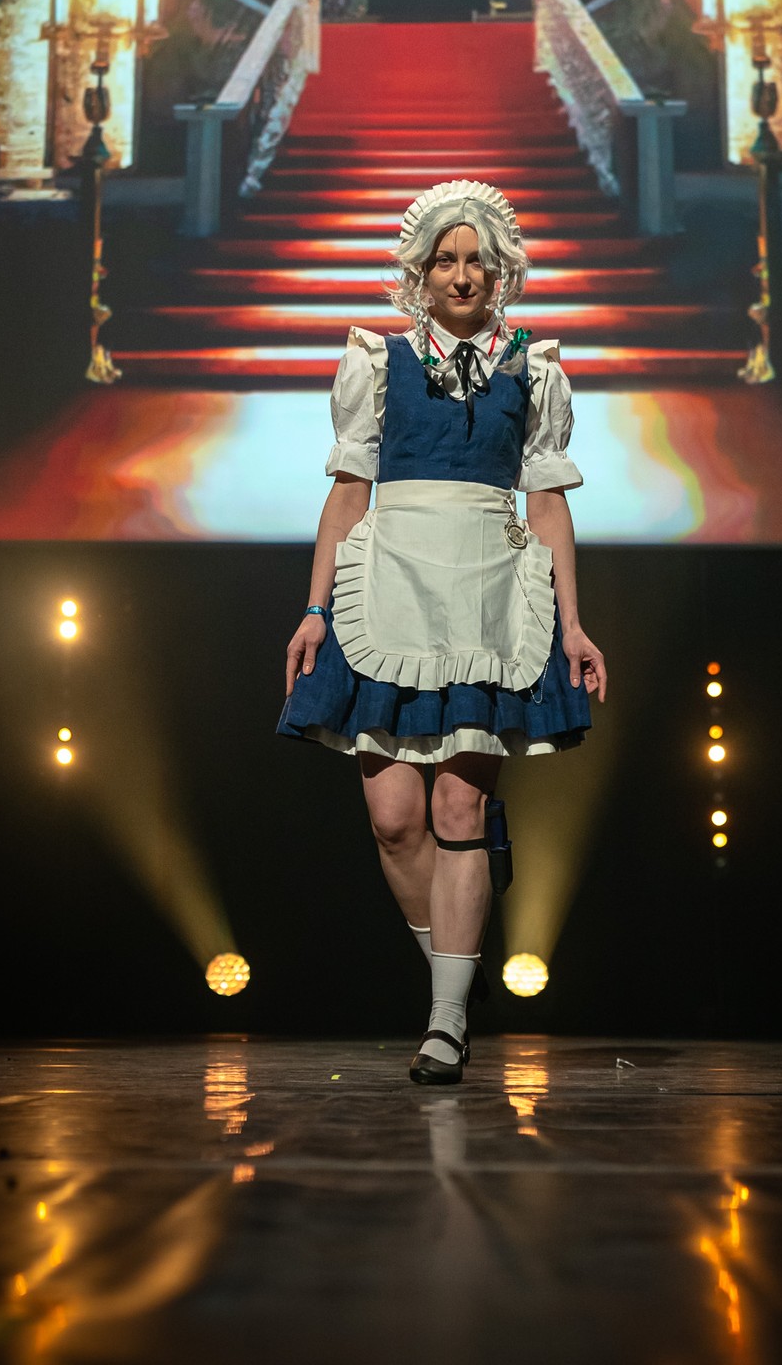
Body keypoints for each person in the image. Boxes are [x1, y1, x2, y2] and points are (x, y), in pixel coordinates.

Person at [277, 180, 607, 1084]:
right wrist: (314, 609)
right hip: (389, 583)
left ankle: (447, 1021)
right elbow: (347, 493)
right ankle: (452, 973)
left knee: (459, 808)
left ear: (501, 275)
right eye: (446, 261)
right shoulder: (376, 363)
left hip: (489, 592)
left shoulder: (535, 370)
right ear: (419, 274)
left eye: (477, 262)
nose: (462, 276)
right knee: (393, 820)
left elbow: (548, 505)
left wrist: (572, 626)